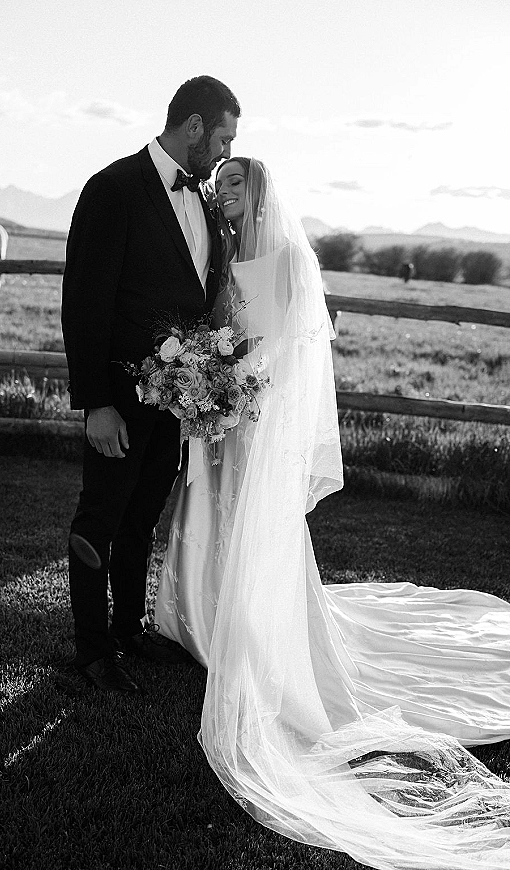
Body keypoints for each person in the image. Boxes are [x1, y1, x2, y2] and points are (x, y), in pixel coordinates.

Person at [154, 157, 510, 869]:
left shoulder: (286, 256)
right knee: (214, 518)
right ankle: (195, 619)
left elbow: (291, 342)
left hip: (256, 410)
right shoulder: (226, 253)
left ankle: (250, 632)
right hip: (225, 407)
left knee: (255, 526)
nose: (219, 195)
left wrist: (235, 384)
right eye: (215, 184)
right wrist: (205, 370)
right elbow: (222, 324)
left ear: (252, 190)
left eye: (229, 184)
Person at [61, 76, 240, 694]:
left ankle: (130, 628)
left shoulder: (208, 202)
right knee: (100, 519)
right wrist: (96, 403)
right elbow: (84, 304)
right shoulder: (113, 189)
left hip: (176, 402)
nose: (223, 152)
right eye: (221, 138)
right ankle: (91, 649)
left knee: (142, 520)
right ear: (193, 126)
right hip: (118, 398)